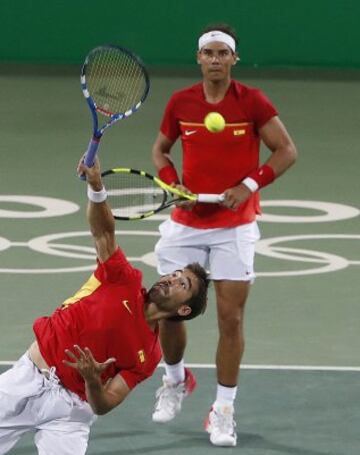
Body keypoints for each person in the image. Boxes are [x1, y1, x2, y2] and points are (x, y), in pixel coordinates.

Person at [0, 157, 209, 455]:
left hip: (71, 414)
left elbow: (106, 402)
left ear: (184, 309)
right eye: (174, 274)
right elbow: (103, 233)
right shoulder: (123, 279)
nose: (170, 279)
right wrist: (97, 187)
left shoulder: (149, 355)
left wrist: (92, 380)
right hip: (29, 377)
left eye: (182, 284)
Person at [151, 23, 297, 447]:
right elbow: (160, 150)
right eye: (208, 53)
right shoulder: (181, 102)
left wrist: (248, 186)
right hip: (186, 222)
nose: (215, 60)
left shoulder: (252, 102)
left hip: (234, 228)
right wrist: (171, 181)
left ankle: (223, 411)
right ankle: (176, 380)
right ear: (198, 58)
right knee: (167, 307)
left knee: (230, 319)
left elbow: (286, 150)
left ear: (234, 59)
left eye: (222, 54)